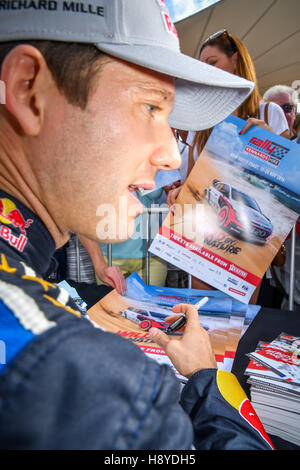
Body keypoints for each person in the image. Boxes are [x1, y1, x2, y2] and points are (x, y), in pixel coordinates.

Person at [0, 2, 273, 450]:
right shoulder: (101, 390)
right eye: (150, 107)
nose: (169, 152)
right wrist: (207, 379)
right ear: (30, 91)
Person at [167, 30, 289, 303]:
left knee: (239, 318)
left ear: (236, 59)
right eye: (204, 66)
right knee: (204, 313)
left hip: (245, 244)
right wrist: (178, 192)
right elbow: (192, 180)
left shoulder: (269, 113)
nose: (208, 71)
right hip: (203, 234)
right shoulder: (200, 121)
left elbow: (289, 178)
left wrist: (267, 140)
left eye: (213, 62)